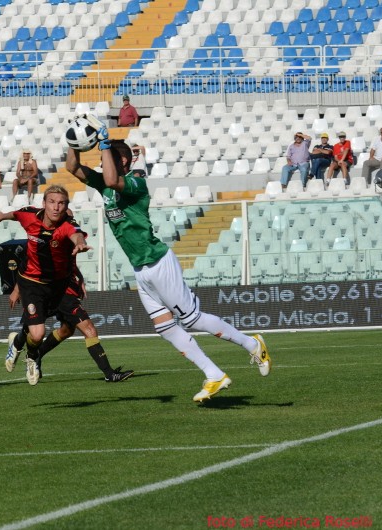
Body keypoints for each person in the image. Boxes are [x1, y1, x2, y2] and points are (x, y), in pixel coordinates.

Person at [66, 130, 271, 402]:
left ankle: (252, 344)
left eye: (106, 159)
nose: (102, 164)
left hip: (158, 262)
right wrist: (73, 139)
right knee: (165, 328)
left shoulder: (135, 183)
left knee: (193, 319)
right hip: (141, 269)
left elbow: (113, 179)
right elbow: (71, 166)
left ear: (123, 161)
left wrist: (104, 142)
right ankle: (213, 374)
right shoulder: (104, 184)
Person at [0, 185, 125, 385]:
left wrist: (80, 244)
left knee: (61, 329)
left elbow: (75, 234)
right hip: (31, 283)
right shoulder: (30, 216)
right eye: (52, 202)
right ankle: (32, 355)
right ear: (44, 204)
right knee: (38, 332)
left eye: (61, 203)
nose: (57, 208)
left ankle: (24, 348)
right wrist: (0, 216)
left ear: (66, 206)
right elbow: (15, 214)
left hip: (58, 285)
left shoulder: (67, 225)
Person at [2, 267, 134, 384]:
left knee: (70, 330)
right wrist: (16, 289)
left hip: (66, 292)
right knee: (33, 331)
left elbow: (69, 261)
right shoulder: (44, 243)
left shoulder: (67, 243)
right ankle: (19, 344)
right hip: (44, 290)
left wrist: (80, 278)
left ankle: (109, 374)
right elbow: (28, 266)